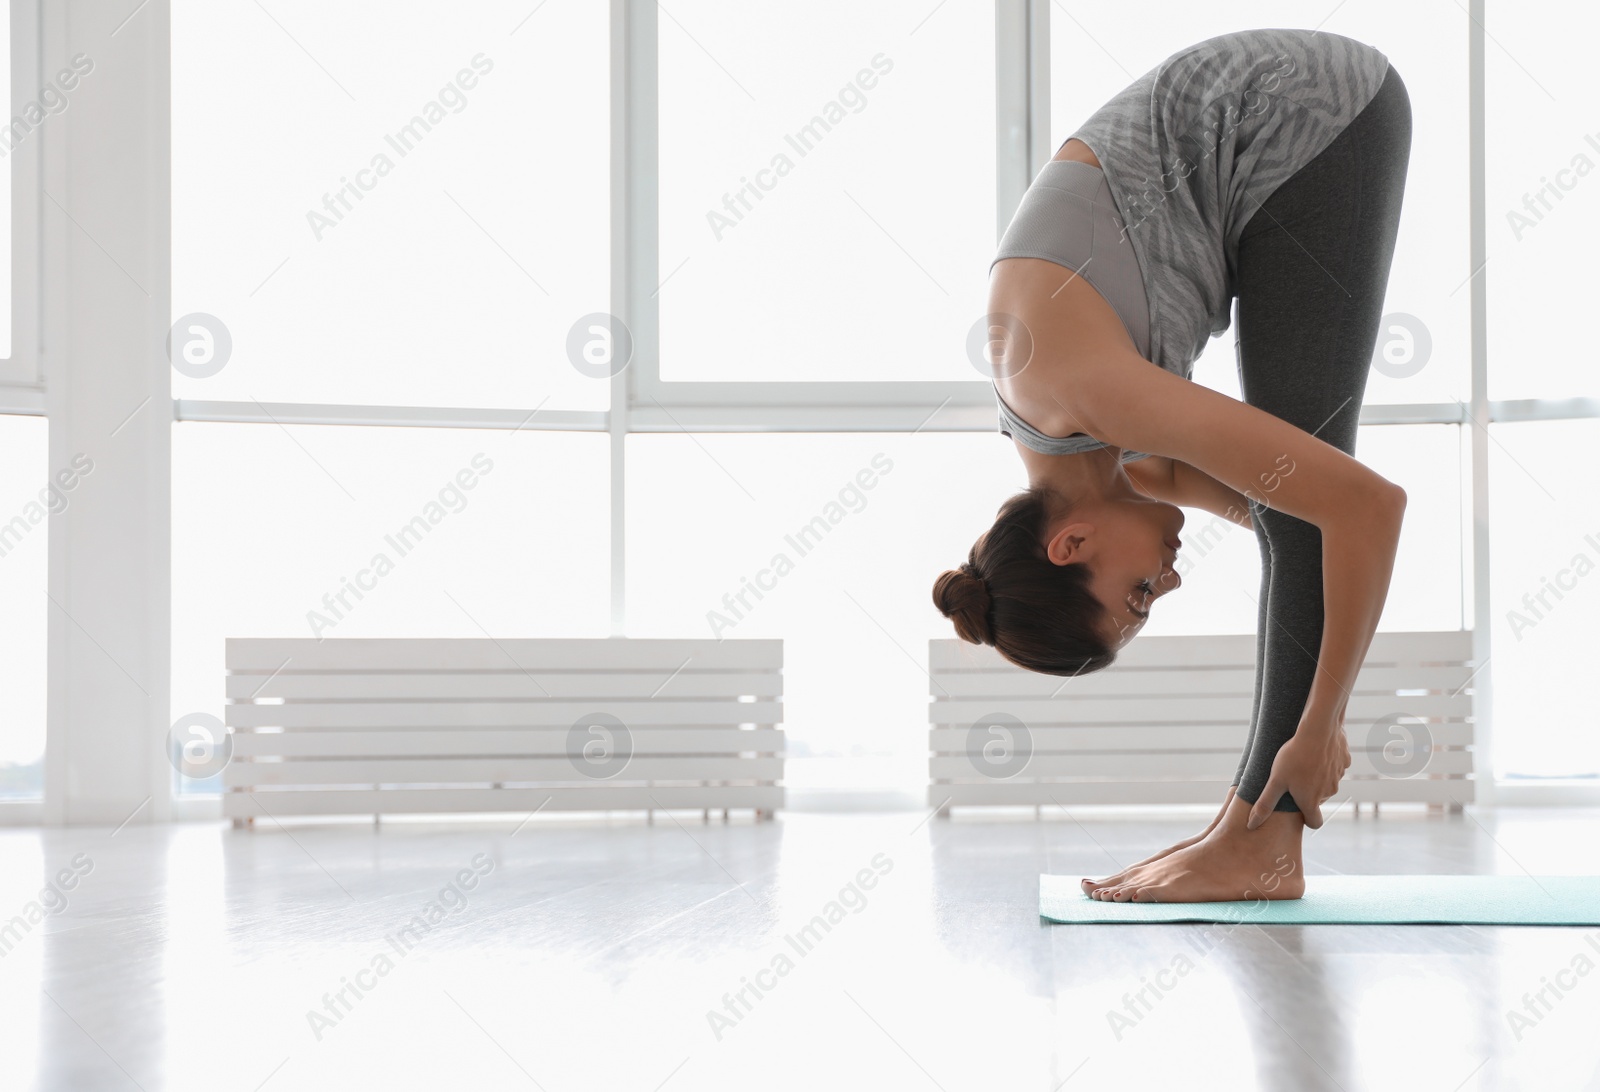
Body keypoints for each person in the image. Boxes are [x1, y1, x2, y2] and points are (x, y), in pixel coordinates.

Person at [932, 28, 1413, 902]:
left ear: (1070, 546)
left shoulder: (1084, 388)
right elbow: (1300, 516)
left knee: (1310, 505)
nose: (1169, 585)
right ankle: (1244, 826)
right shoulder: (1104, 455)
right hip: (1268, 145)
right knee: (1297, 508)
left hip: (1302, 110)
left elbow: (1364, 508)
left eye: (1139, 595)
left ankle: (1260, 842)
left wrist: (1321, 724)